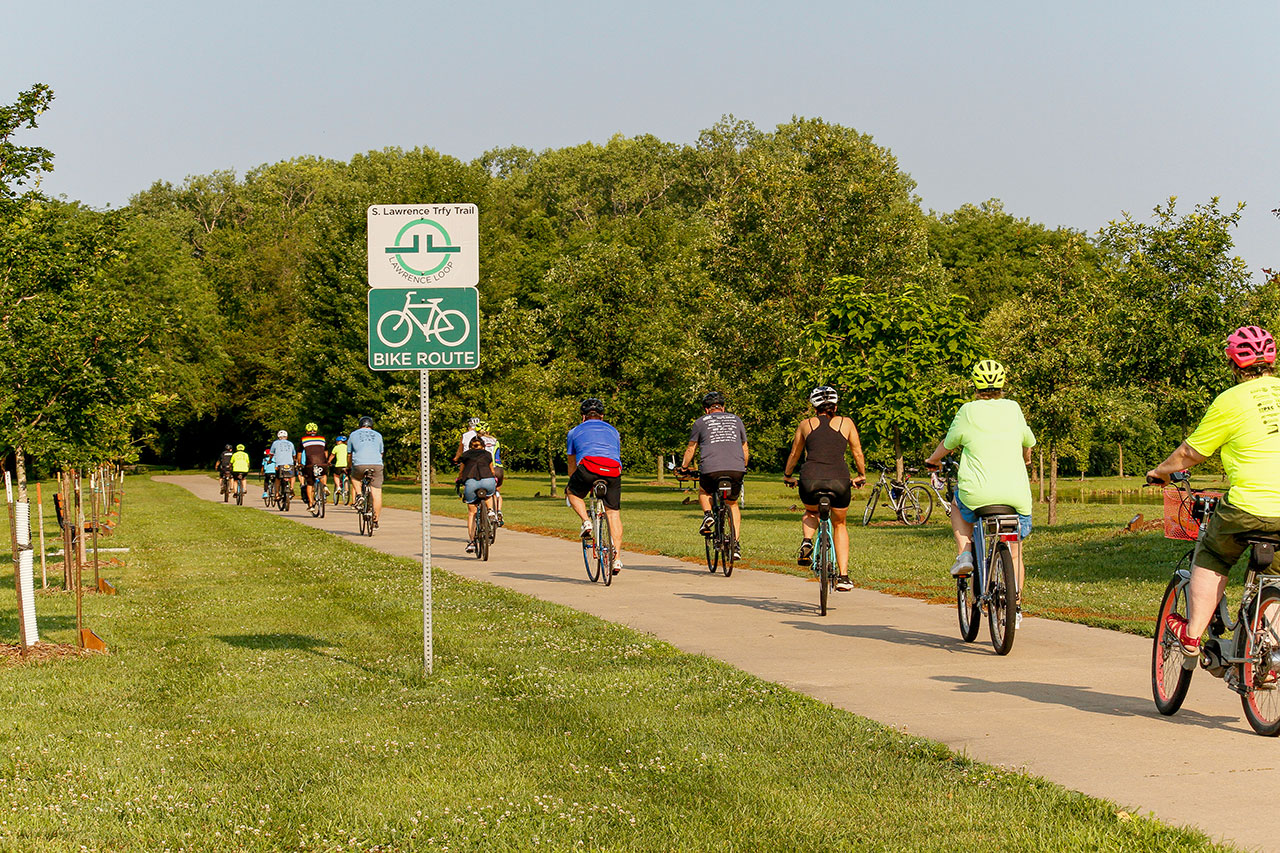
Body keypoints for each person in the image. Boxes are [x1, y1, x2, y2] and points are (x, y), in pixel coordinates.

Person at [1148, 326, 1280, 656]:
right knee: (1275, 577)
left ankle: (1192, 635)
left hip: (1248, 507)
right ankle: (1270, 651)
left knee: (1213, 555)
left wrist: (1160, 473)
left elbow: (1190, 454)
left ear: (1233, 362)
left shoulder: (1230, 401)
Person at [924, 359, 1036, 628]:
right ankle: (1015, 606)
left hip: (977, 494)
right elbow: (1028, 444)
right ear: (1002, 384)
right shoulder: (1014, 409)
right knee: (1016, 551)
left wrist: (933, 460)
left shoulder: (967, 411)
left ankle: (964, 554)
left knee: (957, 503)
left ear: (974, 385)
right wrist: (1026, 459)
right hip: (1015, 496)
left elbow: (948, 445)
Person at [782, 386, 866, 592]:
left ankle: (807, 540)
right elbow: (857, 452)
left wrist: (787, 475)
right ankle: (844, 577)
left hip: (811, 480)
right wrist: (861, 475)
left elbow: (794, 454)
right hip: (839, 481)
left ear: (814, 407)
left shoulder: (805, 424)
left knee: (811, 510)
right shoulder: (846, 423)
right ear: (835, 406)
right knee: (840, 524)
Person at [680, 391, 749, 560]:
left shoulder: (700, 422)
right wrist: (743, 466)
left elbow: (691, 448)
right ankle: (736, 544)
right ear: (723, 407)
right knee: (732, 504)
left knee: (704, 491)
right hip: (736, 468)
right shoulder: (737, 420)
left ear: (706, 409)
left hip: (711, 469)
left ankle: (708, 515)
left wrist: (684, 467)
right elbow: (745, 448)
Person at [566, 397, 624, 574]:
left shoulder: (574, 431)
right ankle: (617, 559)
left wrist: (574, 480)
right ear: (602, 416)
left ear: (583, 416)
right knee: (613, 513)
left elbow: (571, 463)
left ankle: (586, 522)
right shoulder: (614, 431)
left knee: (572, 492)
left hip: (588, 467)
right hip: (613, 470)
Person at [455, 436, 498, 553]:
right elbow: (492, 471)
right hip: (488, 481)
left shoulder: (465, 455)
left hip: (471, 482)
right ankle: (490, 511)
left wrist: (459, 479)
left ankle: (472, 542)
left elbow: (461, 472)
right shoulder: (488, 455)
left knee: (472, 513)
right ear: (483, 446)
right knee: (489, 494)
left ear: (470, 446)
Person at [349, 415, 385, 526]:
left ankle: (359, 495)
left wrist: (349, 466)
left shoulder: (353, 434)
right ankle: (375, 520)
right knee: (377, 492)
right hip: (377, 464)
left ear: (360, 425)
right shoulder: (378, 435)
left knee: (354, 477)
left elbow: (350, 453)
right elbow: (381, 452)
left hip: (360, 464)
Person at [475, 422, 505, 524]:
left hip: (485, 468)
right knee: (496, 491)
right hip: (499, 469)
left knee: (483, 489)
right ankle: (499, 511)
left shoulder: (477, 441)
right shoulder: (495, 440)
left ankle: (489, 510)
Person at [299, 422, 329, 508]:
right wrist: (325, 460)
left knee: (310, 484)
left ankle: (311, 504)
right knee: (323, 474)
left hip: (310, 464)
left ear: (307, 431)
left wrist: (300, 463)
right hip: (322, 463)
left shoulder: (303, 439)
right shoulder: (322, 439)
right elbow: (325, 451)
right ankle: (324, 486)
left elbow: (300, 453)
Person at [270, 430, 298, 502]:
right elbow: (294, 454)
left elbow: (271, 453)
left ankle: (277, 494)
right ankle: (291, 487)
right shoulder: (290, 443)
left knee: (278, 478)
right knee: (292, 476)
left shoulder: (275, 443)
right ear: (287, 436)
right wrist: (294, 460)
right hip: (289, 464)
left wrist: (270, 460)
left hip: (279, 464)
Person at [329, 434, 350, 502]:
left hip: (339, 465)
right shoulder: (348, 447)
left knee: (336, 475)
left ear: (339, 441)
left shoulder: (336, 447)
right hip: (346, 465)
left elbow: (332, 455)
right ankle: (346, 490)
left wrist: (329, 461)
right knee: (346, 476)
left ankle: (338, 487)